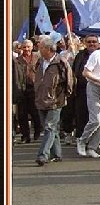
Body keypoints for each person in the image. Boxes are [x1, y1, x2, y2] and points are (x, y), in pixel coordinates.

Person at [34, 35, 74, 166]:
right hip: (41, 99)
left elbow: (69, 81)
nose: (38, 50)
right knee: (52, 129)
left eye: (41, 48)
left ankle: (42, 155)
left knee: (49, 127)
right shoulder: (40, 62)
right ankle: (57, 154)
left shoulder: (61, 62)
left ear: (49, 49)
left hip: (56, 101)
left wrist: (63, 97)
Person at [17, 39, 41, 143]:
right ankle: (25, 135)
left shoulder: (38, 58)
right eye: (24, 47)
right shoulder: (17, 60)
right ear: (21, 48)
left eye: (28, 47)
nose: (26, 49)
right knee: (22, 113)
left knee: (35, 112)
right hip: (21, 88)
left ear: (32, 47)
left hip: (35, 88)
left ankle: (37, 132)